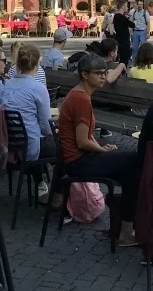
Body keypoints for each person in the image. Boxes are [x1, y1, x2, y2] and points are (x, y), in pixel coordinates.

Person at [57, 54, 138, 245]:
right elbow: (83, 142)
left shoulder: (78, 95)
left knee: (132, 169)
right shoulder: (81, 99)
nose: (103, 77)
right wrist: (103, 151)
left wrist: (101, 147)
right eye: (99, 73)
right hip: (78, 162)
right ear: (85, 75)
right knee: (136, 162)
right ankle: (126, 230)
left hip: (77, 159)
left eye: (104, 73)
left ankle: (122, 226)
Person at [2, 44, 54, 161]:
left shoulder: (7, 84)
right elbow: (46, 127)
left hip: (11, 142)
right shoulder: (38, 88)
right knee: (65, 146)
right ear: (37, 64)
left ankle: (38, 179)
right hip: (31, 145)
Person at [111, 0, 136, 67]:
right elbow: (132, 24)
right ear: (122, 7)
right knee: (124, 60)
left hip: (119, 40)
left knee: (122, 59)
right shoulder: (121, 17)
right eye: (126, 6)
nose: (127, 8)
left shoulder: (116, 16)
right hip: (124, 42)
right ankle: (122, 73)